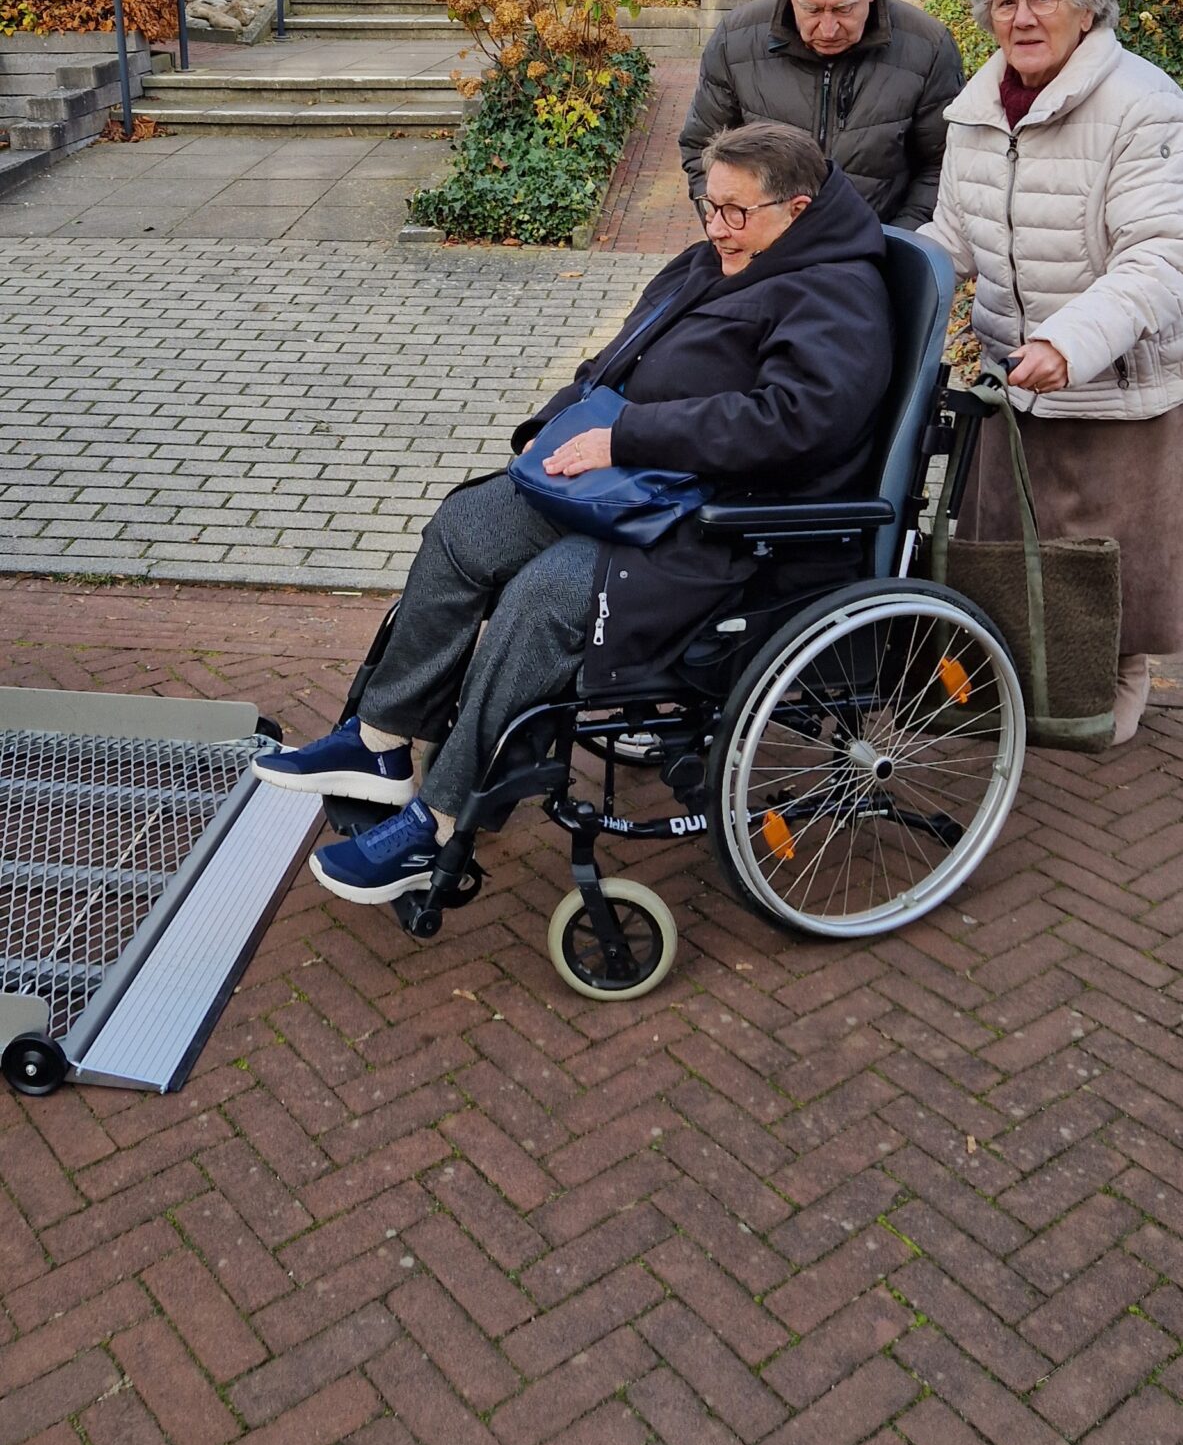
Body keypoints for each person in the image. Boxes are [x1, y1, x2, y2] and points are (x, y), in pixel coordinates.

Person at [256, 121, 895, 902]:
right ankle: (382, 738)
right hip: (632, 484)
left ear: (796, 210)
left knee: (544, 597)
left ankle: (444, 821)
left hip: (726, 519)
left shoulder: (835, 292)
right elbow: (615, 359)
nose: (716, 227)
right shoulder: (711, 261)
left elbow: (795, 422)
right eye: (707, 206)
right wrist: (552, 427)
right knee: (467, 527)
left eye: (737, 212)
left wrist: (626, 436)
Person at [921, 0, 1183, 745]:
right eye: (1003, 2)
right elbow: (949, 238)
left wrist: (1069, 343)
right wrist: (877, 289)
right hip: (1011, 374)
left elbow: (1160, 256)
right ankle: (1023, 677)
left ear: (1087, 6)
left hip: (1110, 381)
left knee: (1114, 562)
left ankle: (1115, 680)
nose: (1020, 18)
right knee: (1008, 546)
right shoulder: (975, 108)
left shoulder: (1143, 104)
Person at [679, 0, 964, 227]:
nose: (828, 29)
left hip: (877, 258)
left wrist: (895, 246)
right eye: (811, 8)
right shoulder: (736, 40)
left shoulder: (927, 46)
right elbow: (702, 147)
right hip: (762, 257)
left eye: (844, 8)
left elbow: (944, 164)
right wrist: (733, 228)